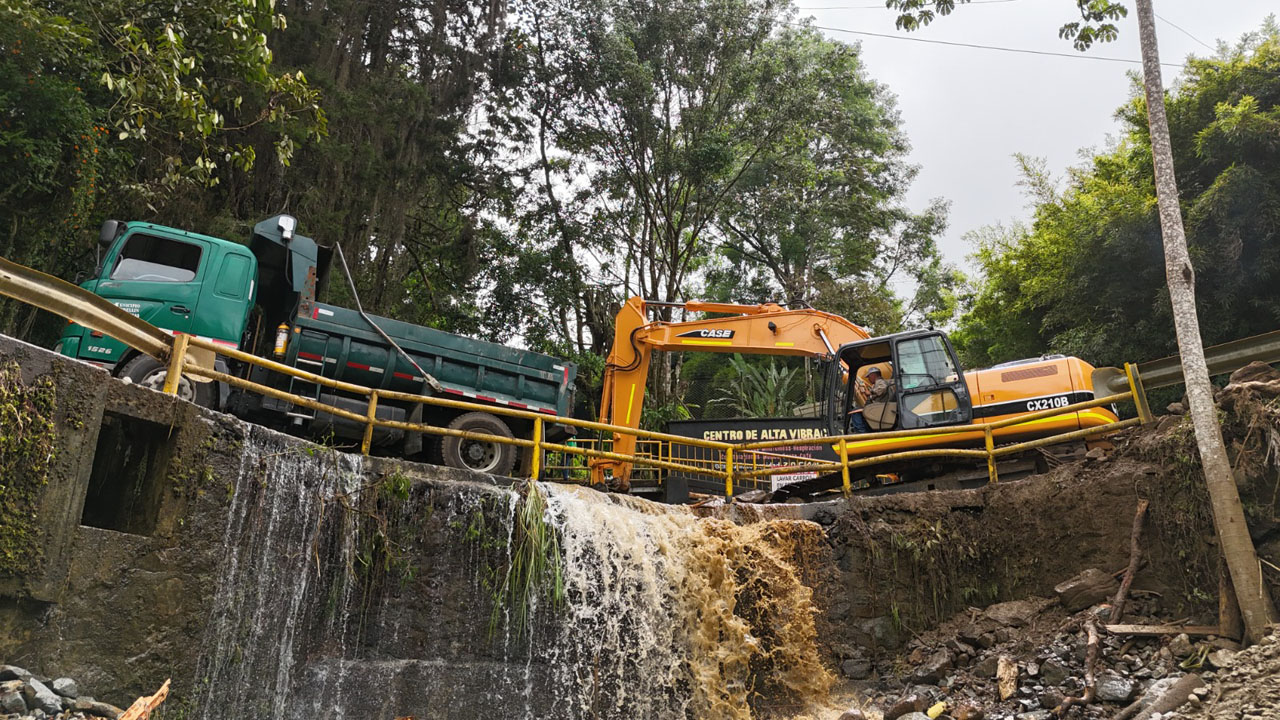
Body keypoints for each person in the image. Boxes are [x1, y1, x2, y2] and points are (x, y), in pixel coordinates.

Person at [848, 365, 895, 433]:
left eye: (869, 377)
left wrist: (870, 392)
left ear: (873, 375)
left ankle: (862, 433)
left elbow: (882, 388)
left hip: (880, 408)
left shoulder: (880, 382)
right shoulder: (877, 384)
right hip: (880, 408)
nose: (868, 379)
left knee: (855, 412)